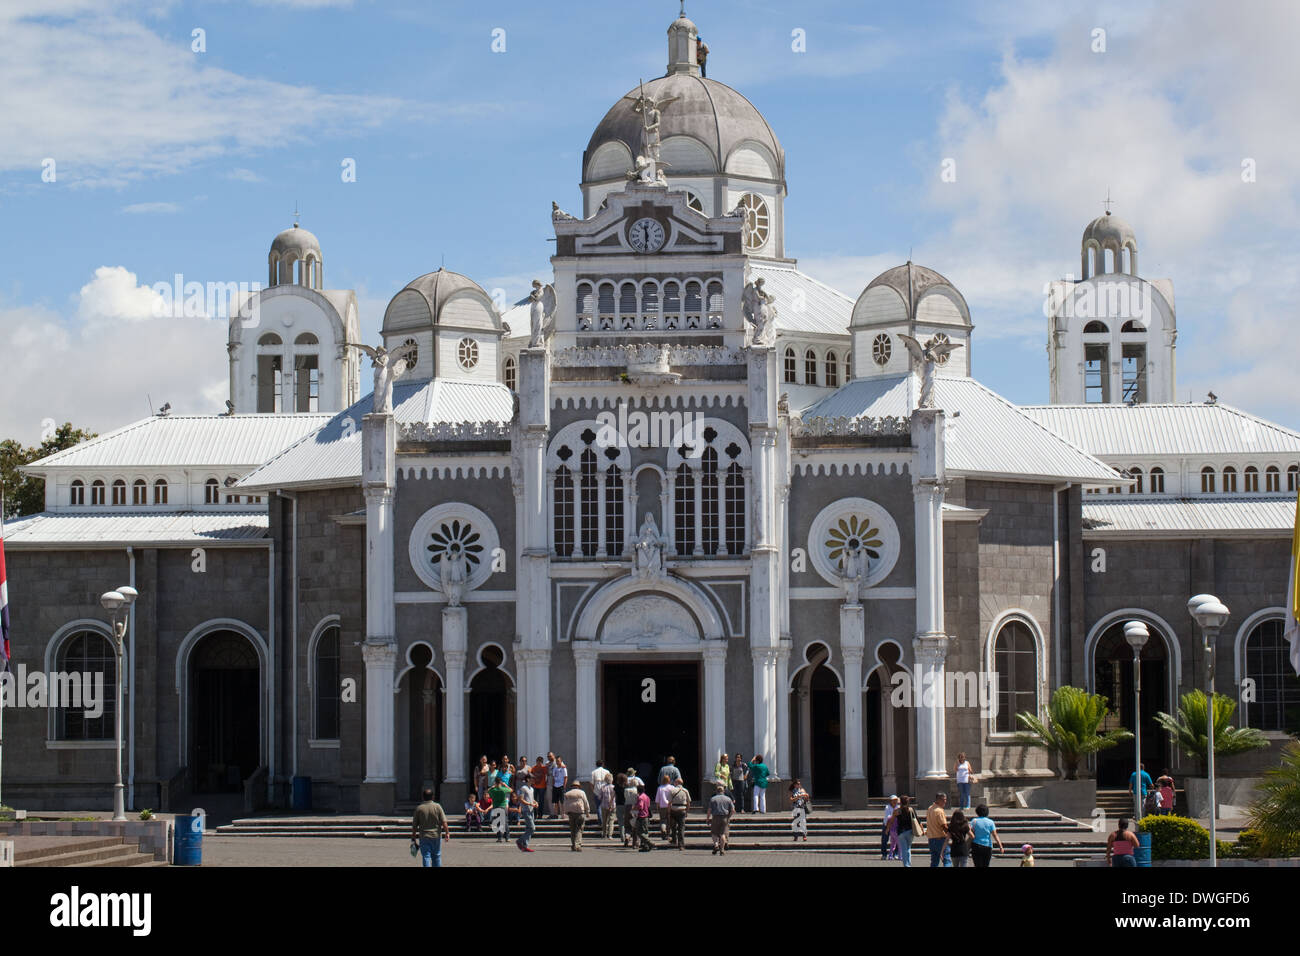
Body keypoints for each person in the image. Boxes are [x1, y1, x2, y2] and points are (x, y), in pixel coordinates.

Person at [411, 788, 450, 867]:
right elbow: (444, 822)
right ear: (433, 797)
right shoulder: (437, 806)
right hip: (436, 836)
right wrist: (447, 833)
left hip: (424, 836)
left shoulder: (419, 808)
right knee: (437, 856)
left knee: (426, 856)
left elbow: (414, 825)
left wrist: (413, 837)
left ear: (423, 797)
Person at [563, 778, 591, 851]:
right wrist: (587, 812)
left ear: (572, 786)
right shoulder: (581, 792)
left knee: (572, 829)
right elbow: (586, 802)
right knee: (579, 829)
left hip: (571, 813)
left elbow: (565, 804)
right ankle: (577, 845)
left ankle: (573, 844)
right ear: (578, 786)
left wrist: (565, 812)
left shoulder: (567, 793)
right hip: (579, 813)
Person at [707, 782, 734, 855]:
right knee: (723, 834)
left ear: (716, 791)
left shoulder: (713, 799)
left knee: (714, 833)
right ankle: (722, 850)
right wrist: (728, 817)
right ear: (723, 791)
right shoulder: (728, 799)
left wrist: (708, 818)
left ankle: (716, 844)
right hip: (724, 817)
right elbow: (733, 810)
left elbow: (709, 810)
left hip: (715, 817)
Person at [926, 792, 952, 867]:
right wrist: (950, 834)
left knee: (934, 862)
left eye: (945, 799)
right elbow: (944, 825)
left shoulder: (930, 808)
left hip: (931, 839)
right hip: (940, 839)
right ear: (938, 800)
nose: (945, 801)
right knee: (946, 860)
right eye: (943, 800)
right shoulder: (939, 811)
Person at [893, 795, 920, 867]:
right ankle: (908, 863)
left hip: (901, 832)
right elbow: (917, 820)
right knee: (908, 848)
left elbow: (892, 820)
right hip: (910, 831)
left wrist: (888, 828)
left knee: (904, 849)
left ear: (901, 802)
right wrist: (922, 830)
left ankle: (906, 865)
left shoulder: (897, 810)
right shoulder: (911, 809)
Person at [668, 777, 692, 850]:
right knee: (681, 828)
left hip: (674, 809)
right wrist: (687, 811)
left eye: (675, 782)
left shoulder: (672, 790)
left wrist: (669, 812)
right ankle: (681, 845)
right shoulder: (685, 791)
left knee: (673, 826)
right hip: (682, 810)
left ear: (676, 783)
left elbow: (669, 802)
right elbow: (688, 802)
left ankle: (674, 840)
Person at [516, 775, 538, 852]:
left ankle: (525, 845)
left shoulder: (531, 789)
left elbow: (532, 799)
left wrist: (535, 802)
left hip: (531, 810)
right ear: (528, 779)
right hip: (526, 810)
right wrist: (530, 804)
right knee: (532, 828)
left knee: (529, 828)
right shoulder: (523, 788)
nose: (533, 780)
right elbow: (520, 799)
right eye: (532, 778)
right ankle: (519, 841)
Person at [488, 775, 513, 843]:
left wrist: (492, 786)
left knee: (498, 823)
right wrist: (505, 785)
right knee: (505, 822)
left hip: (495, 807)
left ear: (495, 782)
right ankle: (507, 837)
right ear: (500, 782)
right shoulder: (503, 789)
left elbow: (488, 791)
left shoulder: (493, 790)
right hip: (503, 806)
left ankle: (499, 838)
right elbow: (511, 790)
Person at [622, 768, 642, 846]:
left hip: (627, 806)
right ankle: (635, 842)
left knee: (627, 824)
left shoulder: (626, 790)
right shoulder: (636, 791)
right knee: (635, 825)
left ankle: (627, 836)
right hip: (635, 808)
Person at [634, 784, 654, 852]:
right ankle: (646, 846)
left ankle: (649, 842)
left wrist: (634, 807)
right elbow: (648, 806)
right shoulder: (647, 797)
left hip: (641, 816)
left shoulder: (640, 797)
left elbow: (640, 806)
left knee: (639, 832)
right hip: (646, 815)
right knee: (645, 831)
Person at [655, 774, 675, 839]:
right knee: (669, 820)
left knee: (663, 820)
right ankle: (668, 834)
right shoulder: (672, 787)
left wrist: (657, 807)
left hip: (662, 806)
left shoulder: (660, 788)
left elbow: (657, 799)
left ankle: (663, 829)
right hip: (670, 806)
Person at [882, 795, 900, 860]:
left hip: (895, 826)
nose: (895, 801)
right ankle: (884, 854)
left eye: (896, 800)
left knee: (897, 841)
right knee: (884, 840)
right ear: (890, 801)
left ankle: (896, 854)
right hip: (886, 824)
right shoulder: (887, 807)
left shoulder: (898, 807)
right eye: (893, 800)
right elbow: (888, 817)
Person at [599, 773, 617, 839]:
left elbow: (599, 797)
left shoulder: (602, 787)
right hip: (612, 805)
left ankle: (604, 834)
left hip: (604, 805)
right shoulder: (614, 787)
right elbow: (615, 796)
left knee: (604, 821)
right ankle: (610, 835)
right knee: (611, 820)